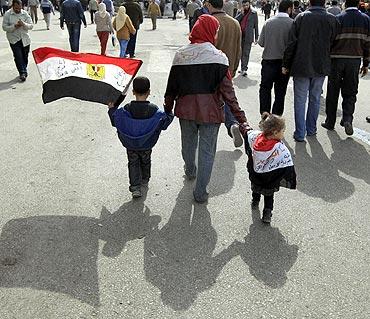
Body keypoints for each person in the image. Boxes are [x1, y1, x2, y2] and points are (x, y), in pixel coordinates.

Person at [164, 15, 251, 203]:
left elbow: (172, 87)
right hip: (211, 113)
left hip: (186, 111)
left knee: (188, 145)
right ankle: (200, 192)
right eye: (217, 31)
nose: (217, 35)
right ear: (212, 32)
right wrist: (240, 117)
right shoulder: (219, 58)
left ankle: (190, 170)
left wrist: (168, 108)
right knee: (207, 152)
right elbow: (229, 93)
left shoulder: (181, 55)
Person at [282, 0, 339, 142]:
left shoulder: (301, 17)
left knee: (300, 100)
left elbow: (292, 43)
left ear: (310, 2)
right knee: (315, 98)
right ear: (324, 2)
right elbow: (335, 42)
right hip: (321, 65)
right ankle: (311, 129)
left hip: (301, 64)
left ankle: (300, 133)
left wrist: (286, 64)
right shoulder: (332, 19)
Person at [108, 76, 174, 198]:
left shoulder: (126, 109)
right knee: (146, 160)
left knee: (132, 163)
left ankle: (135, 188)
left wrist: (111, 109)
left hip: (130, 144)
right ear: (149, 92)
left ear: (133, 92)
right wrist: (169, 112)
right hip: (147, 144)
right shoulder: (154, 110)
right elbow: (164, 123)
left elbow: (115, 120)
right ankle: (145, 178)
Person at [322, 0, 370, 135]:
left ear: (346, 4)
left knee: (333, 91)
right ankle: (347, 118)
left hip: (336, 60)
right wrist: (365, 63)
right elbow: (368, 44)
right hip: (355, 60)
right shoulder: (366, 19)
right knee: (351, 91)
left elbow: (329, 41)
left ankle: (330, 122)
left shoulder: (338, 19)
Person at [245, 113, 296, 223]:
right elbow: (286, 162)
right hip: (270, 176)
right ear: (275, 132)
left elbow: (248, 135)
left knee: (256, 185)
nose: (283, 133)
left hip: (256, 172)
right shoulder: (279, 147)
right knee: (269, 194)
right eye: (283, 131)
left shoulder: (257, 137)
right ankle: (267, 213)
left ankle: (255, 200)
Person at [207, 0, 244, 148]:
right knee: (227, 97)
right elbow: (238, 49)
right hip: (228, 68)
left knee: (210, 101)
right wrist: (234, 69)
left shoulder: (209, 22)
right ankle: (233, 124)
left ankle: (209, 134)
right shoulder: (234, 23)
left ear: (210, 5)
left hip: (210, 69)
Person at [258, 0, 293, 115]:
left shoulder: (268, 22)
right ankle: (276, 117)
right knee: (280, 92)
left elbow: (261, 42)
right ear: (289, 9)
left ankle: (265, 114)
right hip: (284, 64)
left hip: (268, 61)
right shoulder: (292, 24)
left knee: (265, 88)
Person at [2, 0, 33, 82]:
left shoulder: (24, 13)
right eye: (16, 8)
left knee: (25, 56)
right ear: (13, 6)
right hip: (14, 39)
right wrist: (14, 26)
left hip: (25, 39)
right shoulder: (8, 14)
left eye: (19, 8)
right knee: (18, 56)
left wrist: (23, 24)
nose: (18, 10)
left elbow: (31, 25)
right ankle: (22, 72)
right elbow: (4, 27)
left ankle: (24, 68)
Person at [235, 0, 259, 77]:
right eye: (244, 5)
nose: (246, 7)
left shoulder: (254, 13)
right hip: (240, 35)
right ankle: (242, 67)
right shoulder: (240, 12)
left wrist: (256, 37)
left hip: (248, 36)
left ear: (250, 4)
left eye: (247, 5)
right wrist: (241, 14)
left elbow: (256, 26)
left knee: (246, 53)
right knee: (240, 53)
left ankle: (244, 69)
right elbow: (235, 21)